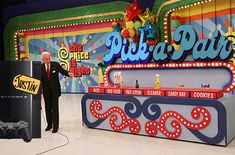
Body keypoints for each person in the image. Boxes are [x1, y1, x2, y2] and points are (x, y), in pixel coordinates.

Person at [41, 52, 74, 133]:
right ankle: (49, 125)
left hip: (55, 91)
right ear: (43, 59)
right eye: (46, 59)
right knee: (47, 109)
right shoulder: (40, 67)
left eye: (49, 58)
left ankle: (56, 127)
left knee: (55, 109)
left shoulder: (55, 64)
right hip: (46, 92)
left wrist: (68, 73)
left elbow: (63, 71)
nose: (48, 60)